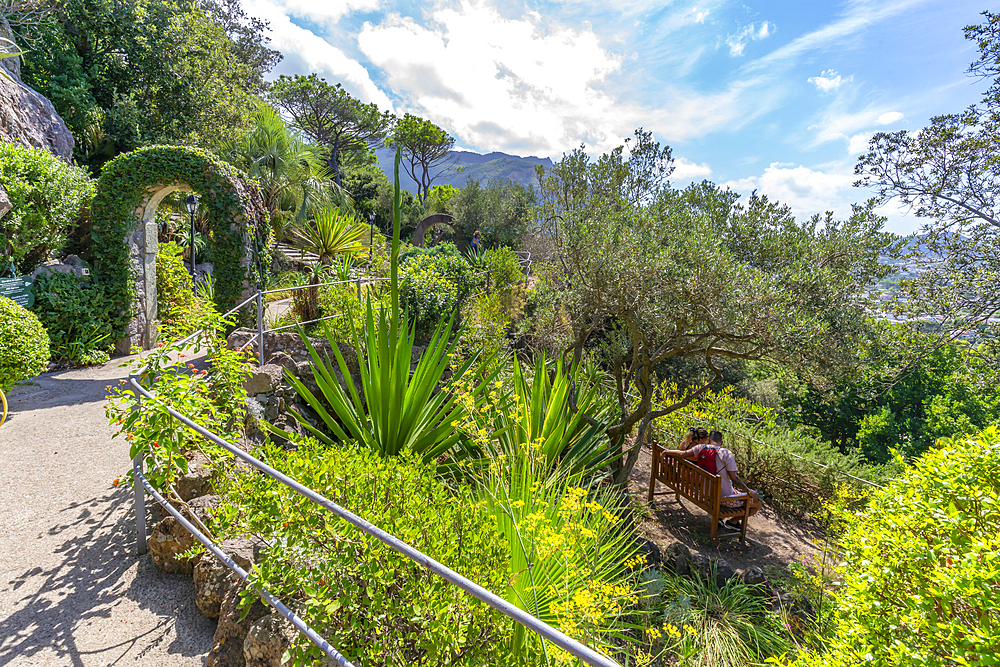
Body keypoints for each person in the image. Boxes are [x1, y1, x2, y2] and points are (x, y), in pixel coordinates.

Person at [662, 429, 763, 532]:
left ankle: (727, 520)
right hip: (723, 498)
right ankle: (733, 521)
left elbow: (682, 454)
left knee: (739, 493)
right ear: (722, 443)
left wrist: (666, 451)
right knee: (758, 502)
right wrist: (749, 491)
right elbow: (734, 478)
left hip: (704, 494)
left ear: (709, 440)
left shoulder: (700, 448)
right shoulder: (727, 453)